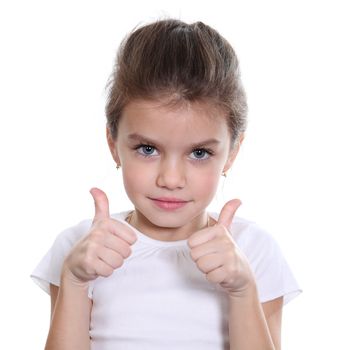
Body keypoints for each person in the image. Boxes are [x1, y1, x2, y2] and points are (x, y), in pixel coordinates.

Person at [31, 18, 301, 350]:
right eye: (148, 149)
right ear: (113, 143)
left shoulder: (252, 250)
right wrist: (73, 281)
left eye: (199, 153)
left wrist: (242, 290)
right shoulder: (81, 248)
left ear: (232, 153)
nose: (170, 180)